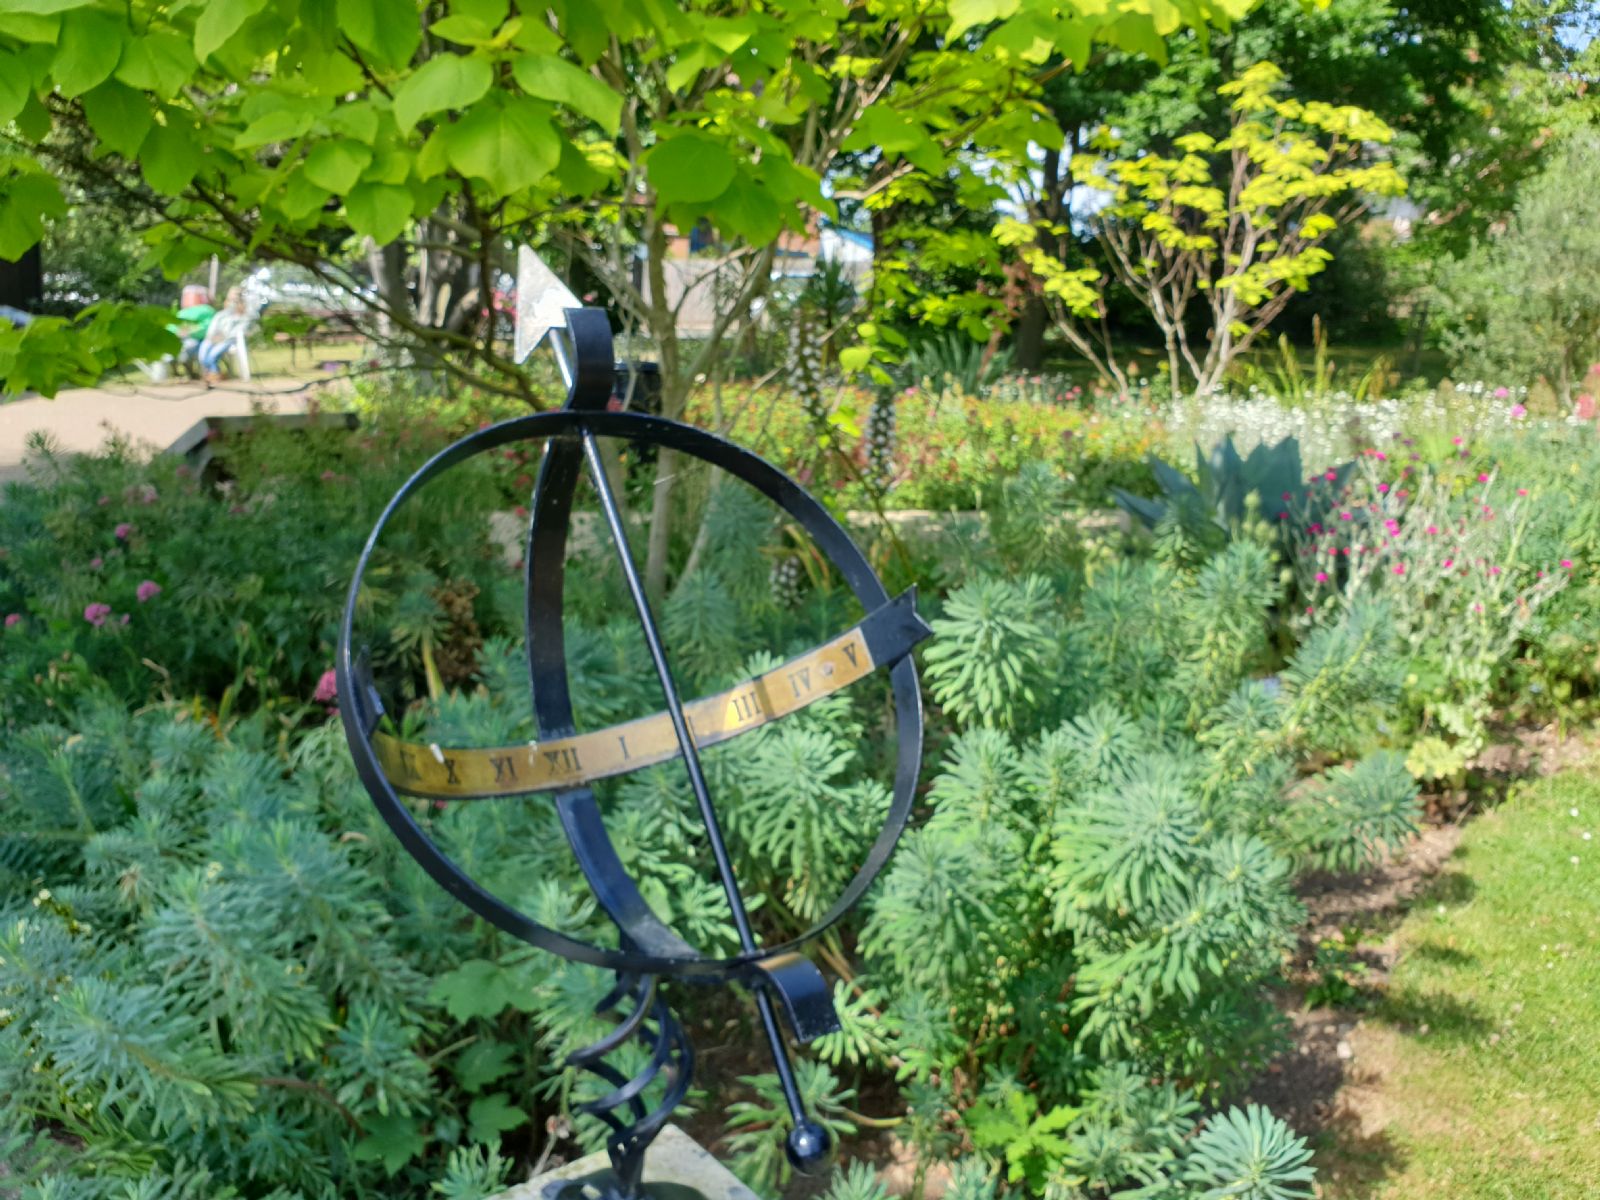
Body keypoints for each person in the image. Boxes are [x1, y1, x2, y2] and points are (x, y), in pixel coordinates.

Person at [196, 288, 251, 384]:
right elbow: (212, 330)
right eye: (231, 300)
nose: (232, 303)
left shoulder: (243, 317)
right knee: (203, 353)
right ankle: (212, 373)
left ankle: (214, 373)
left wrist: (223, 338)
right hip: (214, 339)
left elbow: (238, 332)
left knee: (212, 355)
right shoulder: (220, 315)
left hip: (229, 341)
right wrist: (213, 337)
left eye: (235, 300)